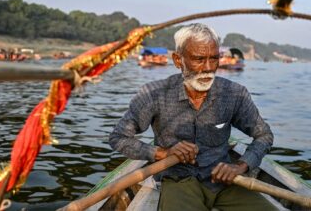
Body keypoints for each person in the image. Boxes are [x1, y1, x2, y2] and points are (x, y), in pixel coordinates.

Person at [109, 23, 275, 210]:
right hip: (177, 180)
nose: (208, 68)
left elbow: (264, 136)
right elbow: (118, 137)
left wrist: (241, 165)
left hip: (223, 181)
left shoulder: (235, 94)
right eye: (198, 59)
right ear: (178, 60)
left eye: (214, 59)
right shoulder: (154, 94)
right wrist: (163, 153)